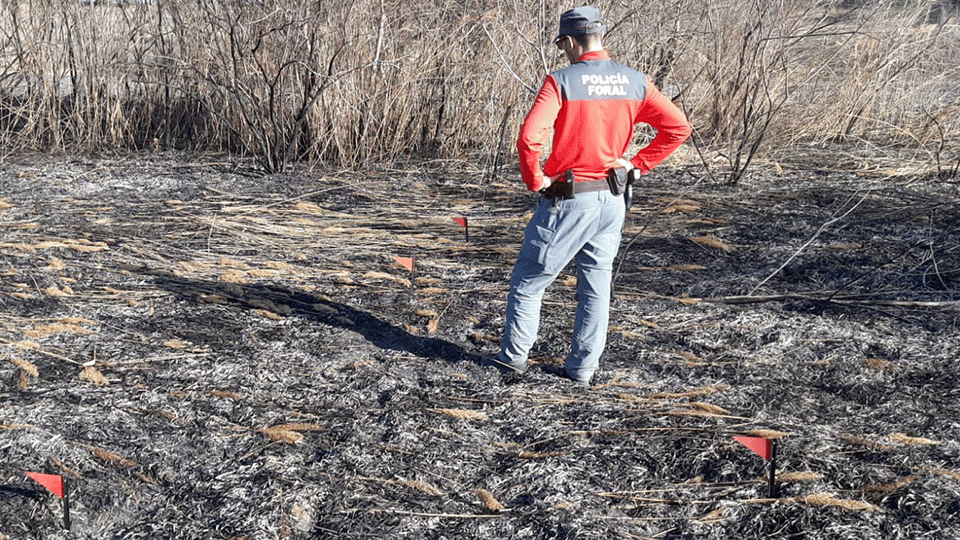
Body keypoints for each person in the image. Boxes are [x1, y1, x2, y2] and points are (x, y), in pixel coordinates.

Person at [493, 6, 691, 386]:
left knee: (529, 282)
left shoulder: (561, 81)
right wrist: (638, 165)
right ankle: (582, 370)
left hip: (569, 199)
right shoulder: (634, 81)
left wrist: (535, 180)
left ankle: (512, 362)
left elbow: (529, 138)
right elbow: (679, 127)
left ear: (569, 41)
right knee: (596, 289)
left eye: (561, 45)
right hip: (613, 201)